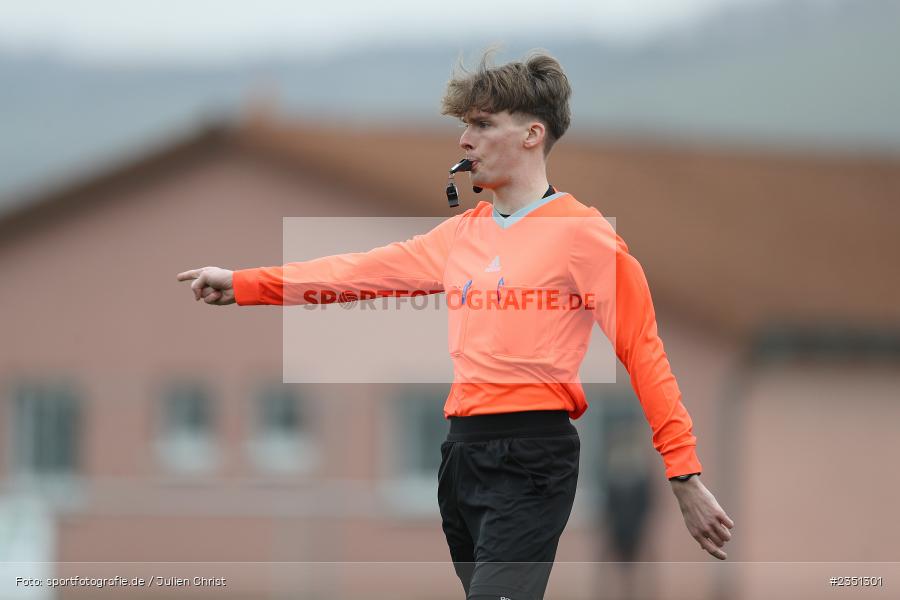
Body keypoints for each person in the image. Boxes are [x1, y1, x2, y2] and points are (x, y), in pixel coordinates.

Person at [177, 50, 734, 600]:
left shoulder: (585, 236)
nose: (464, 141)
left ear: (531, 135)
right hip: (461, 456)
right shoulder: (461, 236)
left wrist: (683, 475)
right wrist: (246, 283)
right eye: (465, 125)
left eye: (482, 124)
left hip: (533, 456)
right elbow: (357, 273)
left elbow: (644, 354)